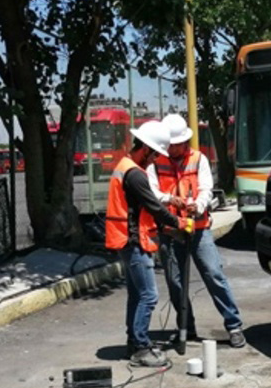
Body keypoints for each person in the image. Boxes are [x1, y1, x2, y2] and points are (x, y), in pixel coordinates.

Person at [148, 114, 246, 348]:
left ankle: (234, 325)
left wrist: (198, 205)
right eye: (170, 145)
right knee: (175, 282)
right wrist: (171, 199)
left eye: (177, 144)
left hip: (199, 229)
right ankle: (186, 327)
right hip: (171, 230)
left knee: (214, 275)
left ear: (185, 142)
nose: (173, 149)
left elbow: (206, 189)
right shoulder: (156, 161)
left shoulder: (198, 159)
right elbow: (152, 192)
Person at [105, 120, 184, 367]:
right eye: (154, 155)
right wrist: (179, 222)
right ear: (146, 149)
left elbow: (140, 209)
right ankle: (140, 347)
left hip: (125, 239)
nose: (155, 160)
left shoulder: (125, 166)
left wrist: (165, 227)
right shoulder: (136, 174)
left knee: (136, 295)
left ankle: (134, 341)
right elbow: (154, 206)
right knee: (149, 295)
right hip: (133, 242)